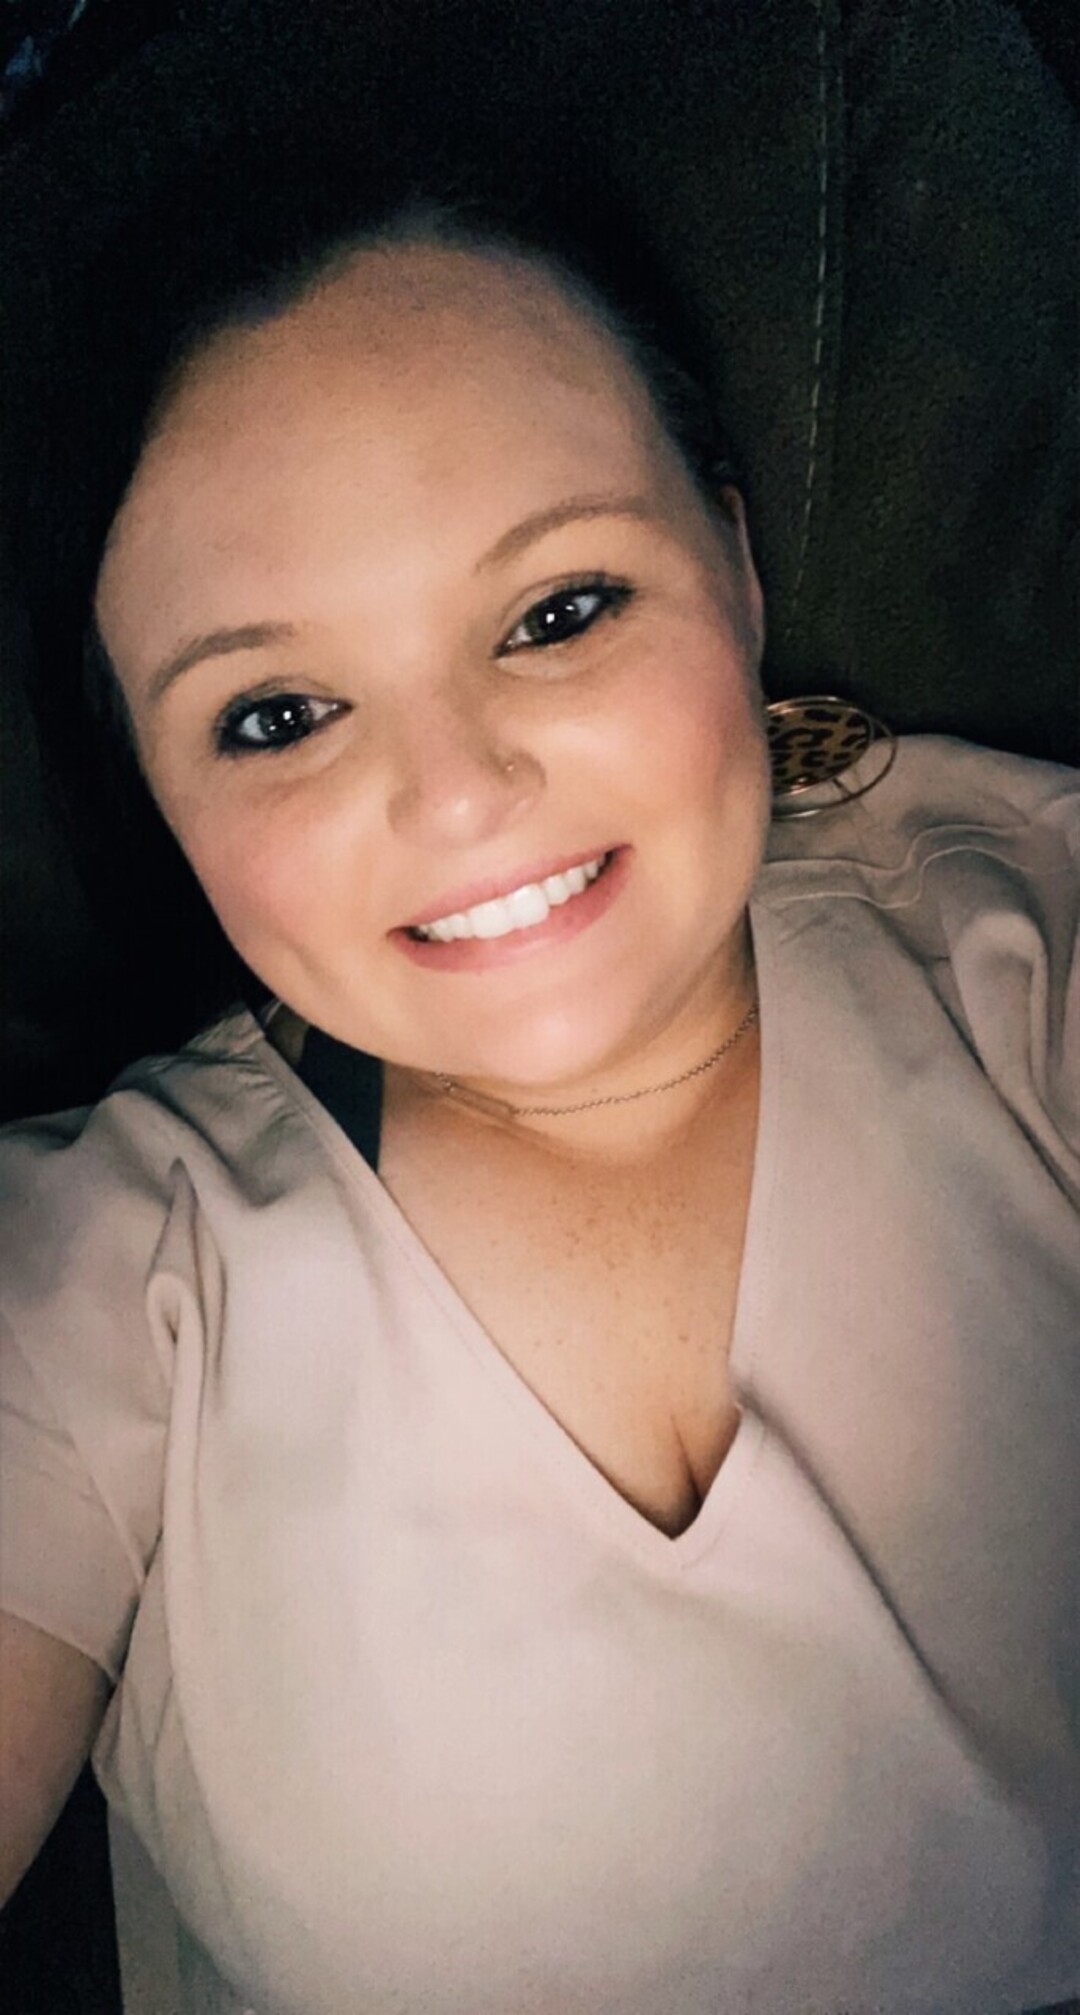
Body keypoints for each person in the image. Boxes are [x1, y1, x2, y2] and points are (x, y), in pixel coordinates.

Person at [1, 140, 1078, 2015]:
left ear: (735, 566)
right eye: (276, 715)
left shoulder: (1021, 937)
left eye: (560, 610)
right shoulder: (94, 1271)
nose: (458, 795)